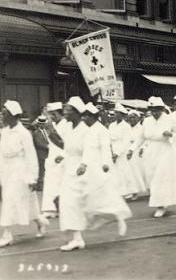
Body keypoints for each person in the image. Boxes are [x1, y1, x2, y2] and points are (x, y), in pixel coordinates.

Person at [57, 98, 131, 251]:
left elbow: (90, 150)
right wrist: (62, 155)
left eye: (69, 109)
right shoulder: (69, 128)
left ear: (77, 113)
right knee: (70, 202)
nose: (65, 112)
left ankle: (118, 216)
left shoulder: (87, 131)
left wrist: (84, 164)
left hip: (85, 169)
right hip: (71, 170)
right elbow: (69, 149)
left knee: (96, 200)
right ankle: (77, 238)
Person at [0, 100, 49, 247]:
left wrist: (33, 177)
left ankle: (6, 234)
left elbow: (31, 156)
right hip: (7, 171)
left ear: (13, 115)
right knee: (27, 202)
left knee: (8, 200)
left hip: (20, 171)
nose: (2, 116)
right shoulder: (4, 131)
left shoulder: (24, 133)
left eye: (4, 113)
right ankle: (40, 221)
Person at [128, 97, 171, 191]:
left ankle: (163, 194)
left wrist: (171, 134)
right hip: (151, 150)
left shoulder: (169, 119)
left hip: (164, 149)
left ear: (162, 110)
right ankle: (155, 194)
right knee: (151, 172)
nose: (154, 113)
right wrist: (131, 149)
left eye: (157, 111)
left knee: (162, 172)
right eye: (152, 111)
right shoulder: (147, 121)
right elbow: (141, 137)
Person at [42, 102, 72, 217]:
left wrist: (63, 155)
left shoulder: (67, 125)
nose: (52, 117)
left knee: (61, 185)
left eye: (53, 114)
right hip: (51, 159)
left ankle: (62, 209)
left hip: (63, 159)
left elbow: (66, 143)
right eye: (50, 114)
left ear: (59, 113)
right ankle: (50, 210)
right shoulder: (53, 125)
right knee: (50, 184)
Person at [109, 103, 139, 199]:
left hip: (122, 150)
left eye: (117, 113)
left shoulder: (126, 126)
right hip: (113, 148)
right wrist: (111, 151)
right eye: (115, 113)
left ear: (122, 115)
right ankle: (118, 191)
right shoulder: (111, 125)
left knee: (125, 171)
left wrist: (117, 153)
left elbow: (126, 141)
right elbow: (109, 138)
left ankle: (131, 191)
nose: (115, 115)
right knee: (115, 172)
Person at [32, 115, 50, 191]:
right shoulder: (35, 133)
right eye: (41, 124)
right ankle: (40, 186)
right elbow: (38, 143)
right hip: (40, 154)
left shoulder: (47, 132)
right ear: (38, 124)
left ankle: (44, 185)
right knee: (41, 170)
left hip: (47, 154)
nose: (42, 125)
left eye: (44, 124)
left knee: (46, 170)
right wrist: (49, 147)